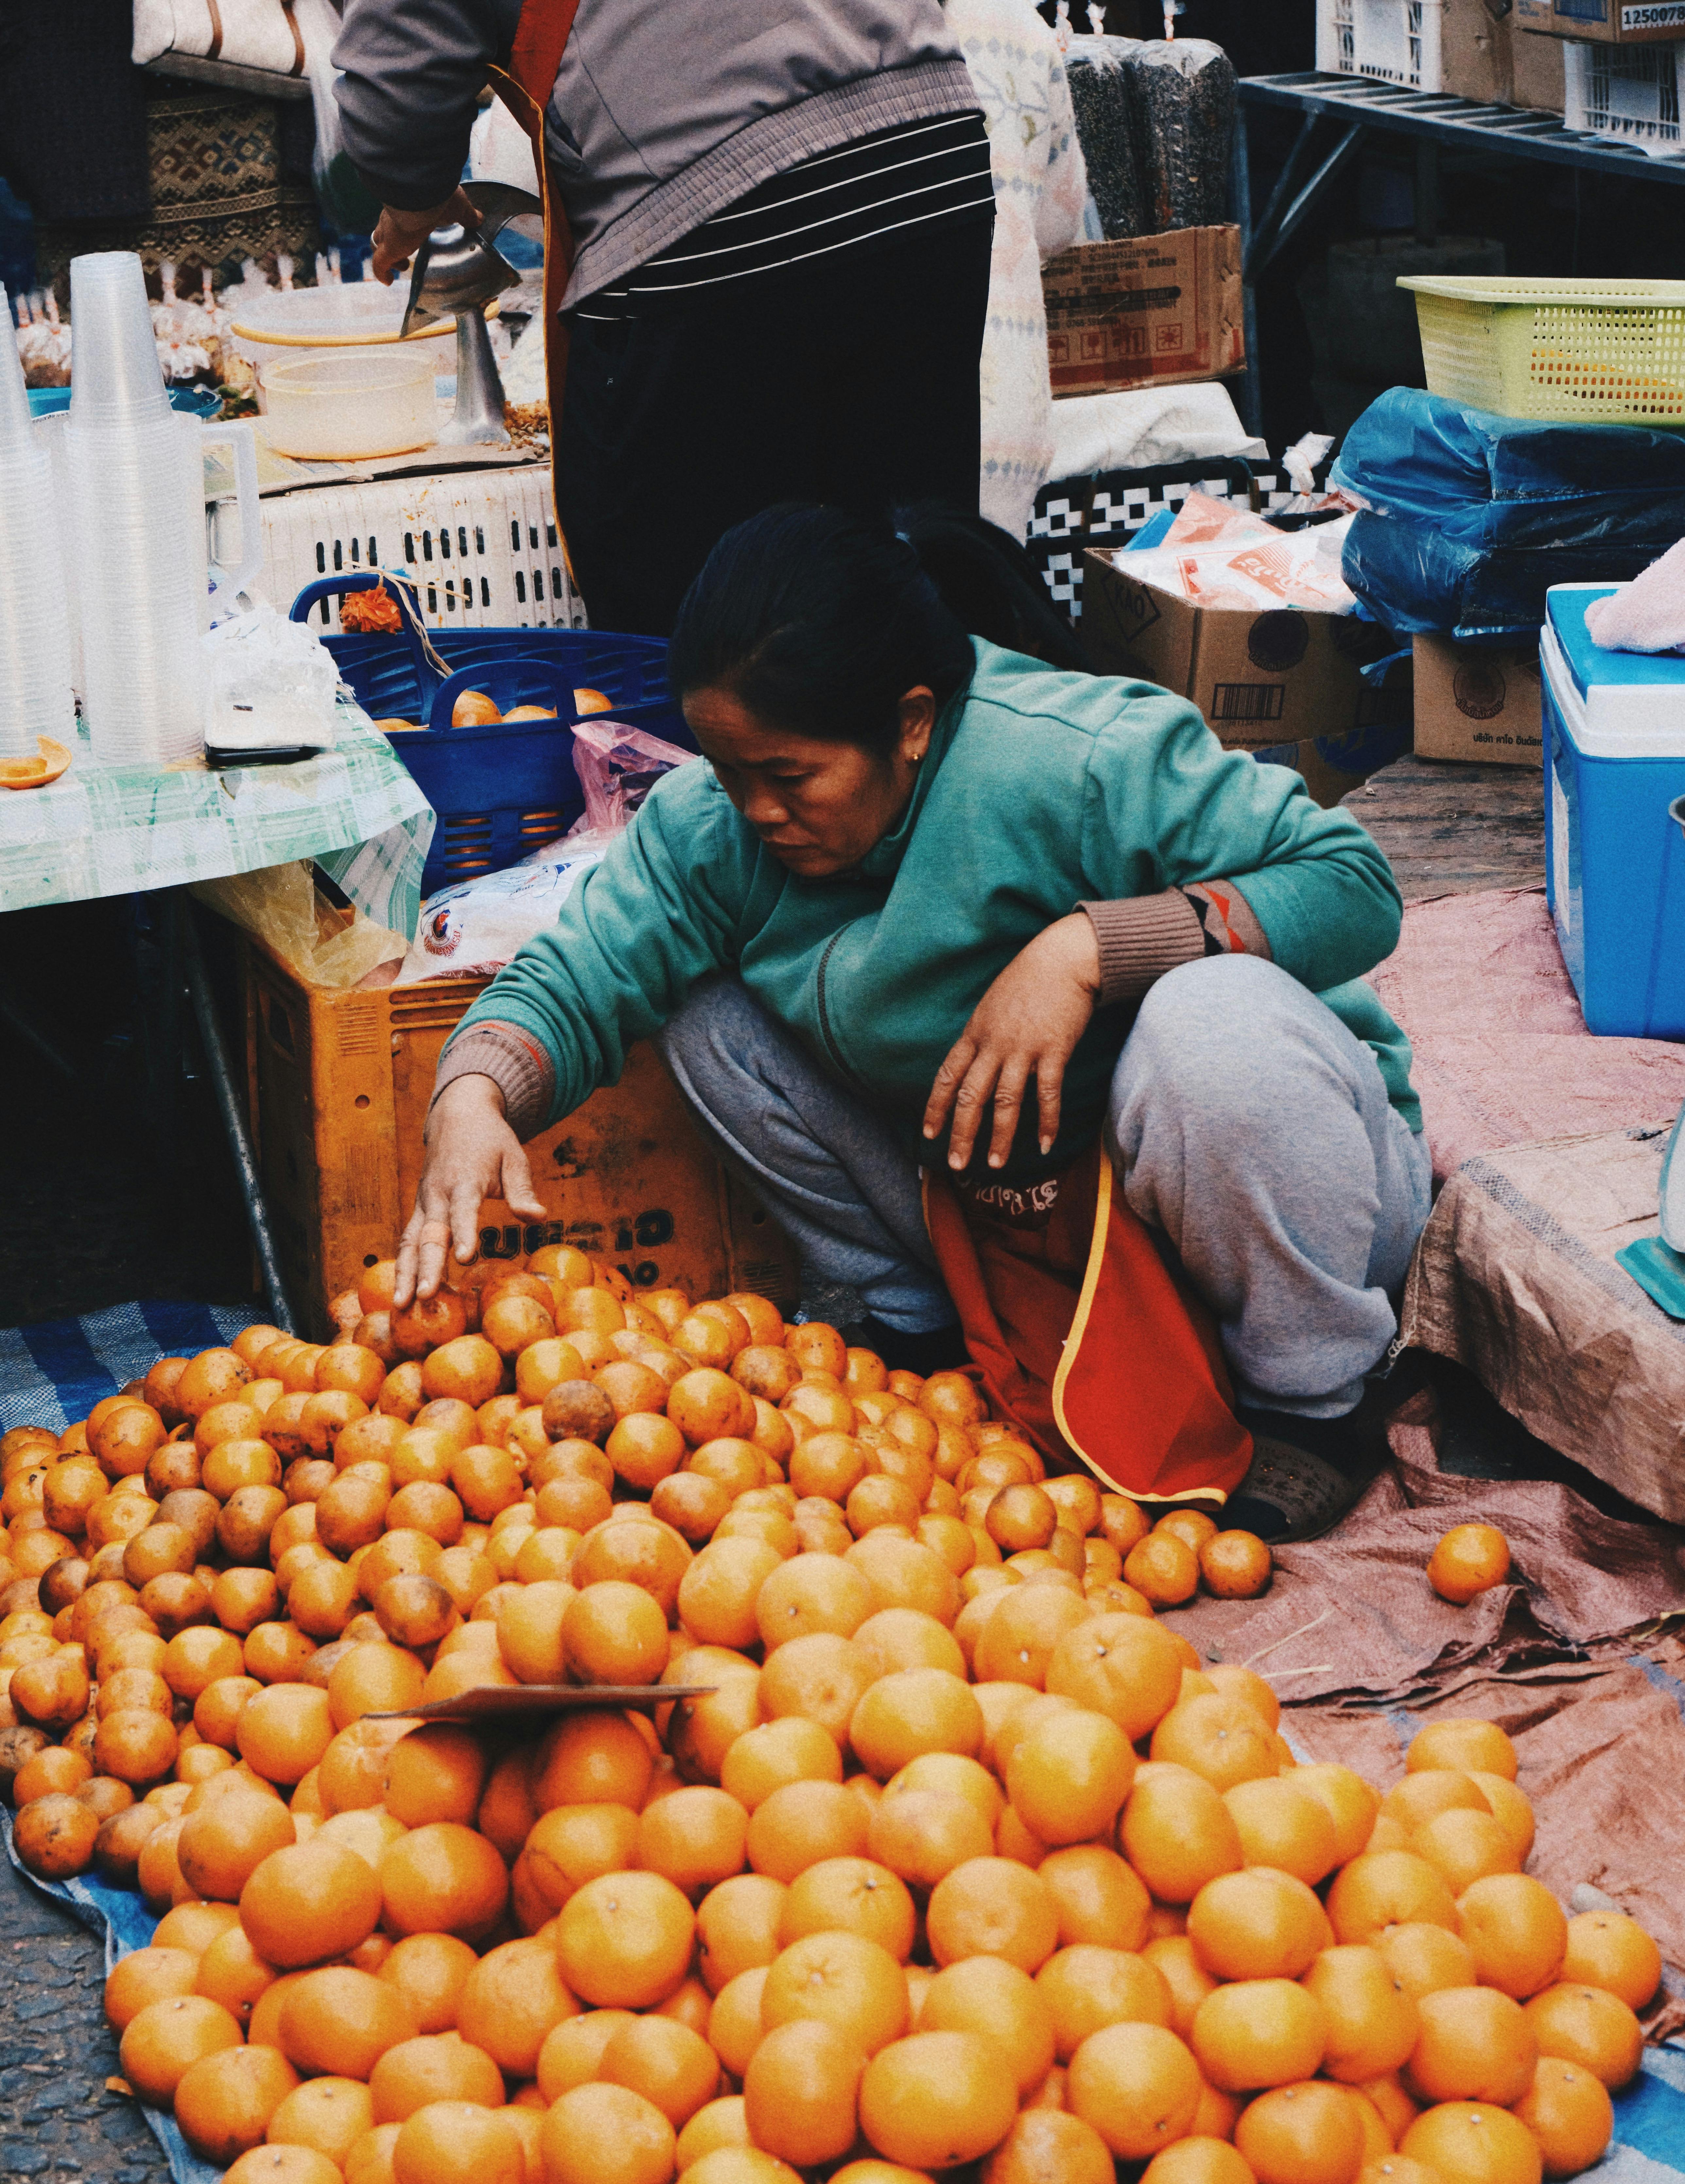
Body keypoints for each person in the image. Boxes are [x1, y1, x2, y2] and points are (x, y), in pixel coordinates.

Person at [395, 505, 1429, 1540]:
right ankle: (905, 1323)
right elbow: (581, 975)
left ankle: (1309, 1399)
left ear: (913, 722)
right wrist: (477, 1093)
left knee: (1213, 1023)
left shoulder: (1079, 759)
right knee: (705, 1013)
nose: (756, 810)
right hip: (1006, 1209)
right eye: (729, 771)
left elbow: (1351, 884)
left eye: (789, 777)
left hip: (1266, 1202)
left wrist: (1088, 952)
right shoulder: (718, 830)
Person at [332, 0, 998, 633]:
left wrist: (413, 190)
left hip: (714, 194)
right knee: (905, 578)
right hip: (928, 154)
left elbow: (395, 75)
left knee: (702, 619)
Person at [945, 0, 1087, 537]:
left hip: (881, 376)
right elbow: (1060, 222)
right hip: (1006, 400)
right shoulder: (1023, 26)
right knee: (980, 597)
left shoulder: (842, 29)